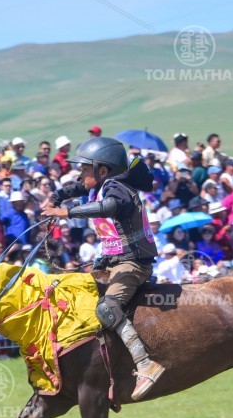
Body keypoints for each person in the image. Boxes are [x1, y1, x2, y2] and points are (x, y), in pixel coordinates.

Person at [42, 137, 163, 399]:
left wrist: (66, 213)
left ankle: (145, 364)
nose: (80, 174)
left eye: (85, 168)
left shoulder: (118, 189)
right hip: (113, 261)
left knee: (107, 308)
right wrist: (55, 198)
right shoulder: (101, 185)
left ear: (103, 171)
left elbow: (108, 208)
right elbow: (78, 187)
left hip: (132, 264)